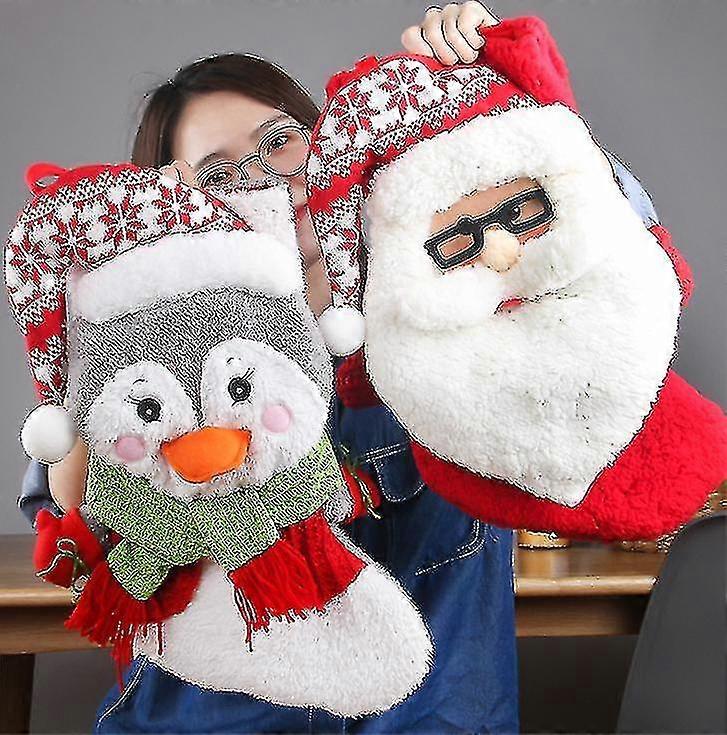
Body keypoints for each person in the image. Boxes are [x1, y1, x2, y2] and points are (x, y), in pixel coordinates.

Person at [17, 3, 660, 733]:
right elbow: (74, 534)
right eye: (220, 173)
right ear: (175, 207)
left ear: (328, 140)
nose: (270, 178)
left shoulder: (451, 289)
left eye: (281, 140)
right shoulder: (141, 355)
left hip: (434, 717)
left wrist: (504, 98)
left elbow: (611, 249)